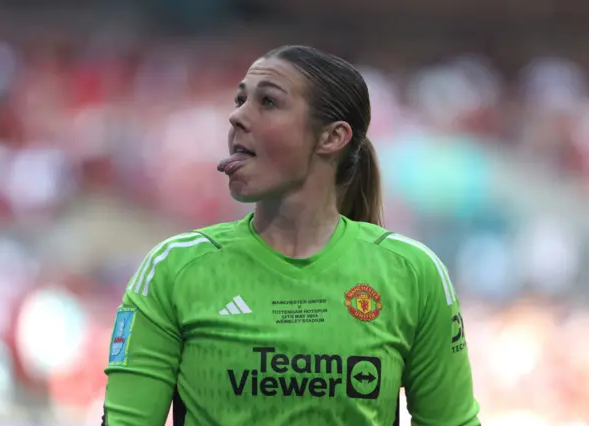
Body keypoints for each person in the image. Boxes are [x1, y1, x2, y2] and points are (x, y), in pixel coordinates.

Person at [102, 45, 480, 426]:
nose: (236, 116)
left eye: (267, 101)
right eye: (240, 99)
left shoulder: (412, 272)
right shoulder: (175, 268)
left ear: (332, 137)